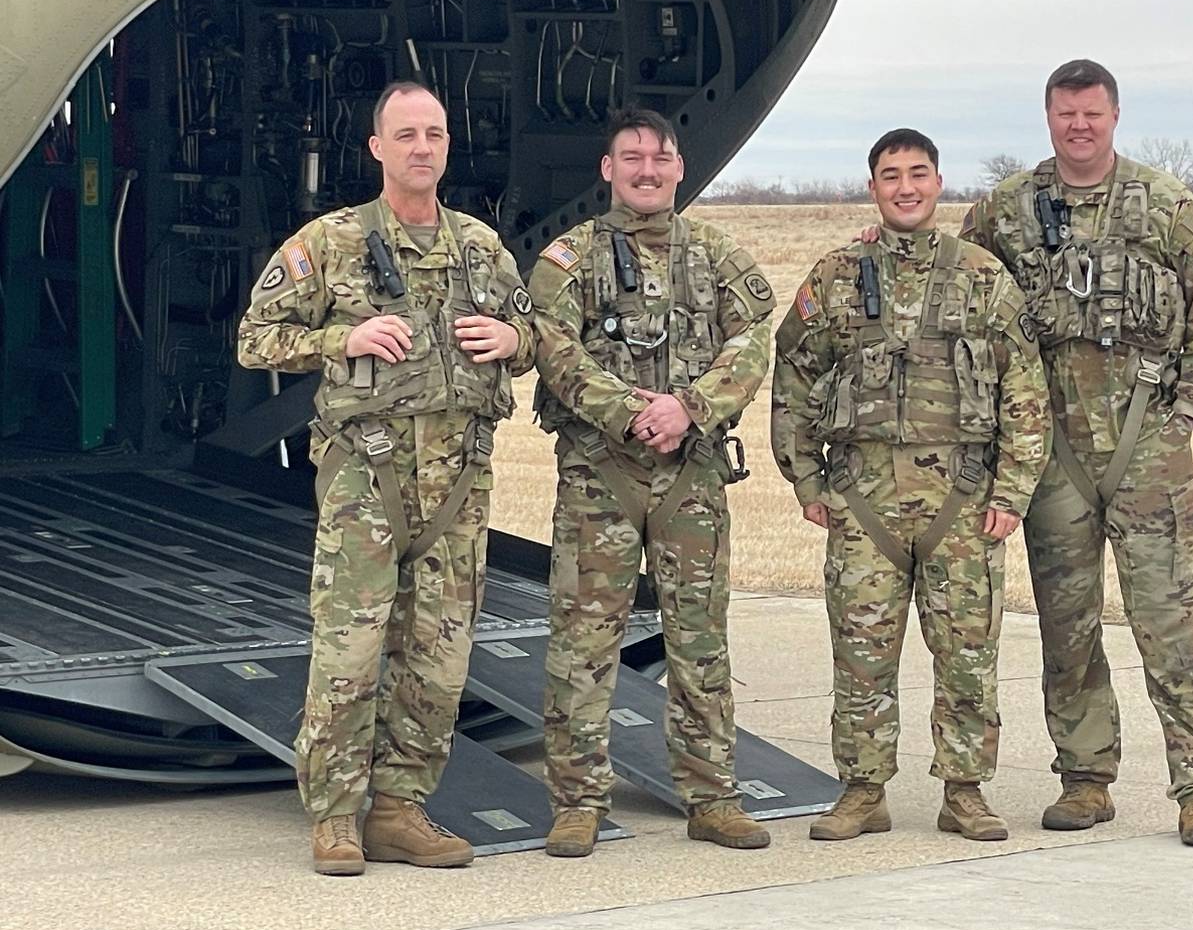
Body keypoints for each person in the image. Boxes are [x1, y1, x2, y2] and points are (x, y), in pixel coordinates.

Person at [237, 80, 536, 875]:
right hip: (366, 484)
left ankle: (401, 810)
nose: (421, 148)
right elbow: (256, 337)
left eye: (433, 134)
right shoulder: (330, 242)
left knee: (438, 658)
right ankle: (335, 816)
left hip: (459, 489)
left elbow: (538, 334)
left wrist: (512, 336)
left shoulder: (479, 246)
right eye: (405, 135)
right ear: (376, 147)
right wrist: (344, 335)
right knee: (351, 653)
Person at [963, 59, 1193, 847]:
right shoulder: (1007, 210)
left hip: (1148, 448)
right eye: (1064, 114)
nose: (1078, 127)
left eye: (1091, 114)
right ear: (1047, 117)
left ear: (1115, 115)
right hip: (1053, 455)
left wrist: (1183, 416)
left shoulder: (1166, 206)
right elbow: (965, 294)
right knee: (1068, 627)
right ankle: (1085, 778)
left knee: (1175, 624)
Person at [771, 129, 1050, 842]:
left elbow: (1024, 389)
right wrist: (806, 477)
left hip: (960, 499)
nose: (905, 187)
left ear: (938, 182)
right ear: (873, 187)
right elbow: (794, 376)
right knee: (861, 654)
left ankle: (965, 792)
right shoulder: (836, 275)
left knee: (967, 653)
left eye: (917, 174)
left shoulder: (983, 277)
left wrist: (1011, 492)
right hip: (862, 500)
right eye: (890, 175)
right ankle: (863, 791)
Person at [528, 106, 775, 858]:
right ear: (608, 170)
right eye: (631, 157)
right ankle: (577, 801)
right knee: (583, 641)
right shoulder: (566, 260)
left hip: (691, 476)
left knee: (700, 640)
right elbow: (555, 351)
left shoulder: (718, 255)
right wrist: (633, 413)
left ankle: (712, 796)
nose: (646, 169)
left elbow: (754, 338)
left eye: (660, 158)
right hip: (600, 474)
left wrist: (689, 409)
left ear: (679, 169)